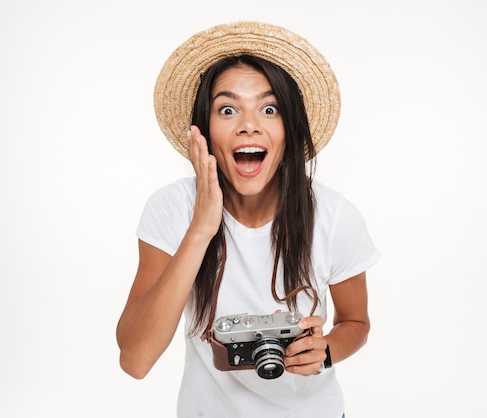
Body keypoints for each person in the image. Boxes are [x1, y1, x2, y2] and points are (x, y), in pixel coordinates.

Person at [116, 21, 379, 417]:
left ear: (290, 128)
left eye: (269, 108)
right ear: (203, 131)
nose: (249, 124)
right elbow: (135, 360)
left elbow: (356, 321)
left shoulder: (334, 215)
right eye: (227, 109)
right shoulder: (172, 208)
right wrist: (202, 227)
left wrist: (324, 351)